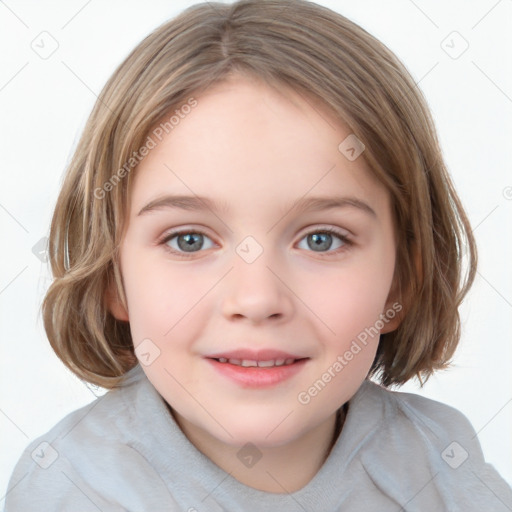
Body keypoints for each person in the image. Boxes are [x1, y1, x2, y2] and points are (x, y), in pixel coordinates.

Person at [5, 0, 512, 510]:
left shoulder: (442, 468)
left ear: (403, 278)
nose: (256, 299)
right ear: (112, 276)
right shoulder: (69, 489)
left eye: (322, 239)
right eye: (189, 240)